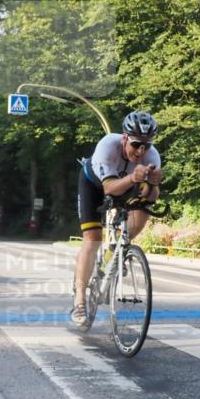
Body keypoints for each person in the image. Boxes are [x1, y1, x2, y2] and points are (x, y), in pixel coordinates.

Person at [72, 111, 163, 328]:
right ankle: (80, 300)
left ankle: (115, 252)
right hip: (94, 185)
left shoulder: (152, 157)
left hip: (127, 185)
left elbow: (151, 197)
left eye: (146, 145)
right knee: (93, 238)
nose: (141, 151)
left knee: (143, 212)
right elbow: (109, 188)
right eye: (135, 144)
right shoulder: (107, 146)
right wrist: (133, 177)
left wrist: (154, 184)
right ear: (124, 138)